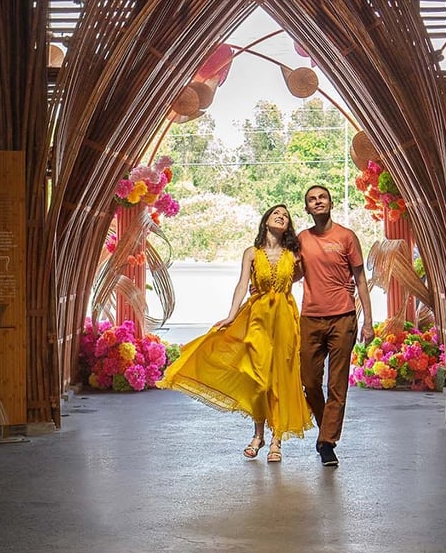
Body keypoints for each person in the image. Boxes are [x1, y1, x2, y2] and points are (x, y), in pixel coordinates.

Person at [159, 204, 313, 462]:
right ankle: (258, 433)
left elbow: (302, 278)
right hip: (257, 318)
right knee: (258, 378)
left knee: (281, 377)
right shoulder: (251, 253)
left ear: (288, 225)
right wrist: (231, 315)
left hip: (285, 320)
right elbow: (242, 284)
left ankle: (276, 440)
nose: (281, 217)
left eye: (285, 216)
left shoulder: (294, 254)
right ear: (266, 221)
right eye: (276, 213)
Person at [298, 184, 375, 467]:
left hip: (343, 317)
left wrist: (368, 319)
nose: (318, 202)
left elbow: (361, 280)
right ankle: (324, 430)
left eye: (322, 198)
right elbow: (291, 273)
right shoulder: (302, 239)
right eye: (312, 200)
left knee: (337, 385)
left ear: (330, 203)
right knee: (309, 382)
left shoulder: (346, 237)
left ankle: (327, 442)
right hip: (310, 318)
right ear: (306, 208)